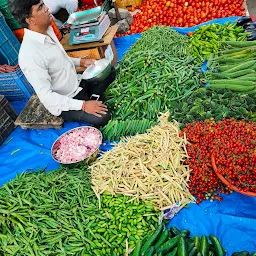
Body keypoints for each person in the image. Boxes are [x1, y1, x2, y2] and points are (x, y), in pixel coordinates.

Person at [11, 0, 115, 127]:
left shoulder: (47, 30)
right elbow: (47, 97)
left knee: (110, 71)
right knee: (103, 118)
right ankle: (90, 102)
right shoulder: (30, 55)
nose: (47, 9)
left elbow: (61, 59)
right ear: (30, 20)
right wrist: (83, 105)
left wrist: (81, 62)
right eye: (40, 8)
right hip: (67, 101)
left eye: (43, 5)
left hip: (77, 83)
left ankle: (91, 100)